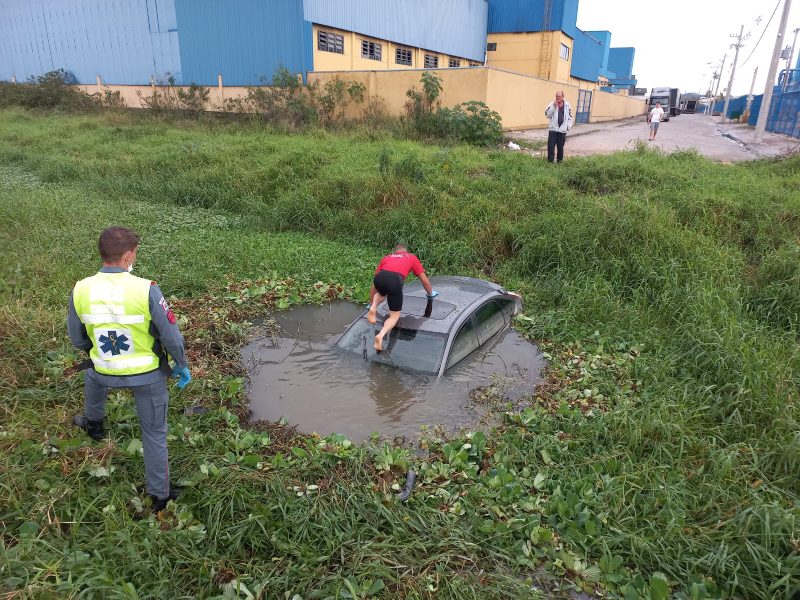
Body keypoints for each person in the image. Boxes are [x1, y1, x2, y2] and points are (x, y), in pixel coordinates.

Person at [68, 227, 191, 512]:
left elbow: (77, 337)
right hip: (147, 377)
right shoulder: (146, 288)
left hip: (102, 369)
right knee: (154, 433)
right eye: (134, 254)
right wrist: (181, 365)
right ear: (127, 257)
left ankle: (94, 424)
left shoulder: (80, 289)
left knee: (92, 375)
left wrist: (97, 353)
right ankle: (160, 497)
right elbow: (171, 337)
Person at [367, 244, 437, 352]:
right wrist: (430, 293)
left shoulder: (387, 257)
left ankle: (373, 308)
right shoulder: (411, 257)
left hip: (380, 278)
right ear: (406, 252)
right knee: (394, 316)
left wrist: (371, 302)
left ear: (395, 252)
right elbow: (423, 278)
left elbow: (374, 285)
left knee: (382, 292)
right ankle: (381, 335)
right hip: (394, 281)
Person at [544, 91, 574, 163]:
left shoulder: (567, 105)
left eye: (559, 96)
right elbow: (547, 115)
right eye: (557, 96)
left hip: (562, 131)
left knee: (560, 148)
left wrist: (567, 127)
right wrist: (554, 107)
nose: (558, 98)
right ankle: (550, 162)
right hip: (553, 130)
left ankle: (559, 162)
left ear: (563, 97)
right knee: (551, 147)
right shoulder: (551, 104)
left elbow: (570, 117)